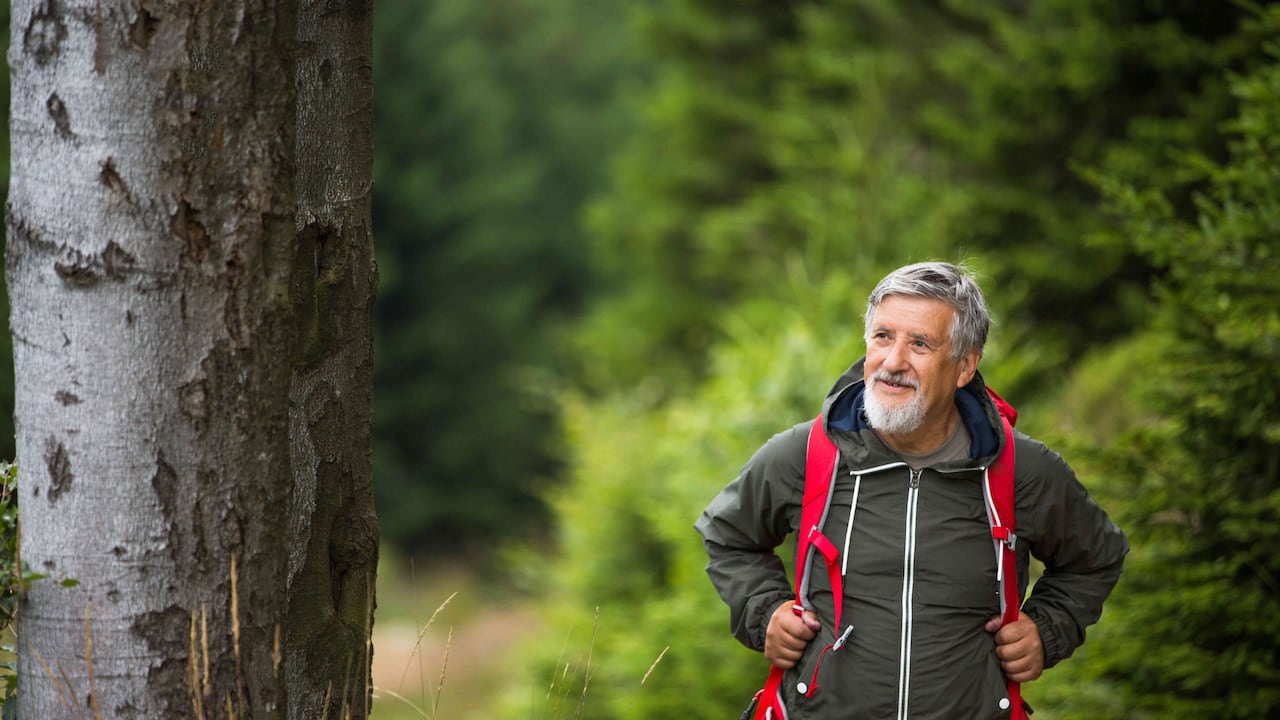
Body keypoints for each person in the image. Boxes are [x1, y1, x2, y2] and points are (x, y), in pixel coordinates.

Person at [695, 261, 1128, 719]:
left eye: (920, 343)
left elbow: (1095, 558)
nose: (893, 361)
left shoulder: (1021, 471)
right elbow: (728, 536)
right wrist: (765, 613)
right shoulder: (805, 454)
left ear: (965, 365)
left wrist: (1047, 630)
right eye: (883, 337)